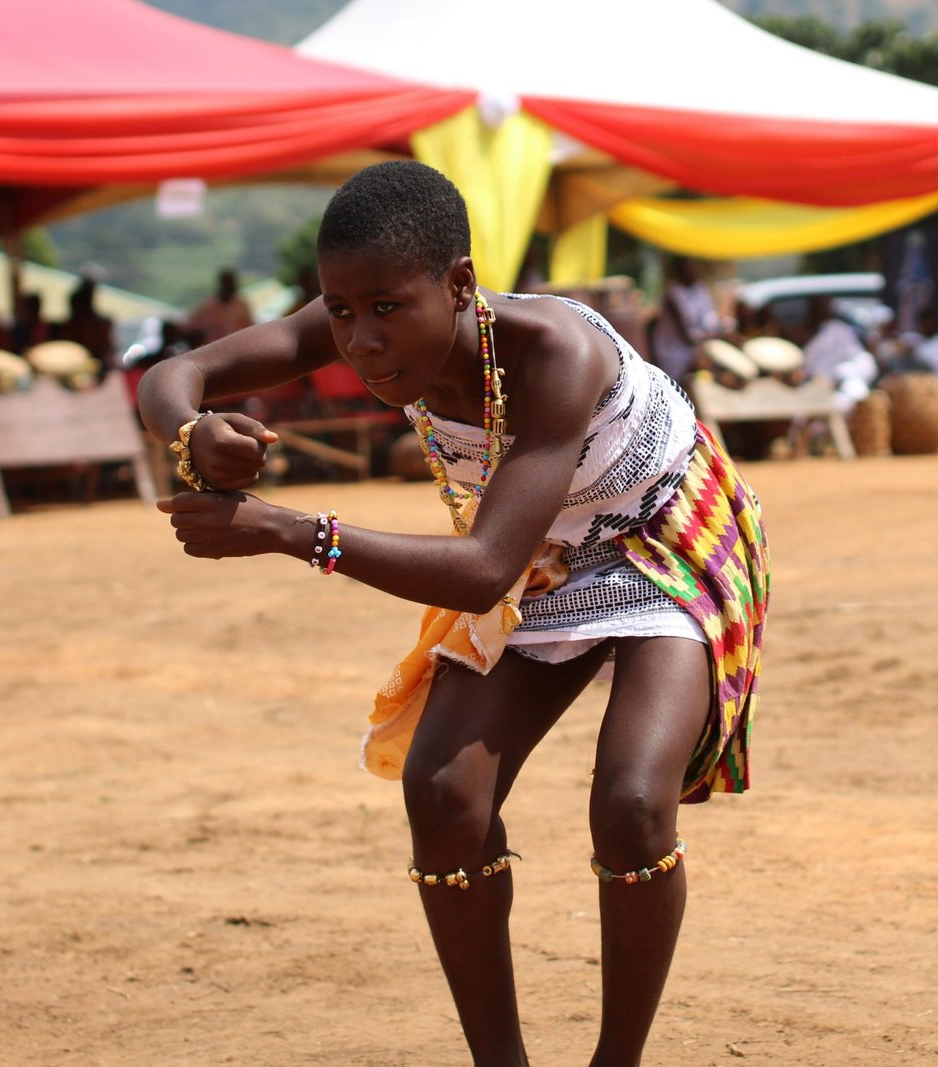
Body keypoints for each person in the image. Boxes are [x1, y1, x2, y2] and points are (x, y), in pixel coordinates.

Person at [139, 161, 769, 1066]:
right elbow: (181, 370)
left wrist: (288, 531)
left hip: (658, 540)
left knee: (632, 803)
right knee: (443, 796)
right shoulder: (363, 313)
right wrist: (190, 429)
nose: (359, 339)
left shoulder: (556, 354)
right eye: (341, 311)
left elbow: (478, 572)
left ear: (461, 285)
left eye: (387, 309)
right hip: (540, 559)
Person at [648, 255, 724, 383]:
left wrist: (717, 332)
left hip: (697, 343)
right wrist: (708, 339)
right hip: (674, 351)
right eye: (690, 267)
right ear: (680, 271)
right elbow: (685, 334)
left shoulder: (700, 289)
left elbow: (709, 317)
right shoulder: (672, 295)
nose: (694, 271)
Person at [185, 266, 254, 346]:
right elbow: (189, 327)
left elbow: (250, 328)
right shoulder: (208, 306)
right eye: (227, 283)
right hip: (213, 350)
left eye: (231, 283)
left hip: (237, 349)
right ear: (221, 283)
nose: (229, 286)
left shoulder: (242, 305)